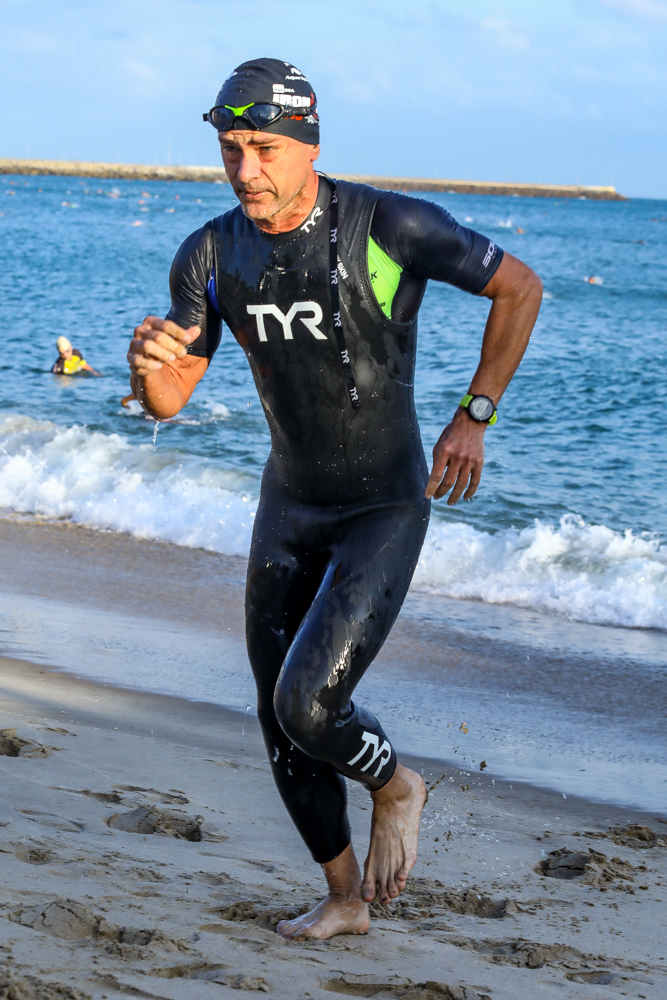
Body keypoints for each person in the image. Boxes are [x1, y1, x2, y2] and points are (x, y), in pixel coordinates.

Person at [127, 58, 542, 941]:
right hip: (289, 506)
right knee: (277, 717)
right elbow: (170, 399)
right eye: (231, 150)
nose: (245, 171)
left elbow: (519, 287)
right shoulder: (210, 253)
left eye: (264, 149)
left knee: (307, 705)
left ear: (308, 146)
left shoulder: (388, 225)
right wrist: (146, 370)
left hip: (380, 507)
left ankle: (396, 784)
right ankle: (346, 899)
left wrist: (473, 417)